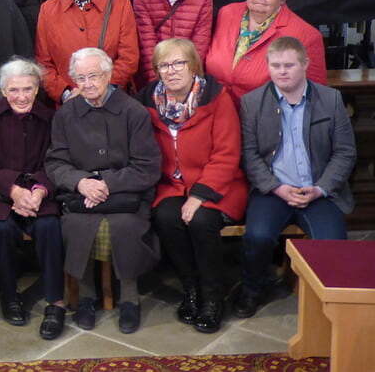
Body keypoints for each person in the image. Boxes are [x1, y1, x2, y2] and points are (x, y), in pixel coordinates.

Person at [234, 36, 356, 319]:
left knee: (333, 243)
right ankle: (252, 289)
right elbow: (249, 155)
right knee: (257, 237)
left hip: (318, 190)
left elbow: (345, 152)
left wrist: (321, 188)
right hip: (273, 190)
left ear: (305, 64)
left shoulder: (330, 99)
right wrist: (276, 188)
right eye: (275, 65)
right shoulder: (252, 103)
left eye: (289, 65)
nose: (282, 71)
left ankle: (329, 301)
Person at [45, 47, 161, 334]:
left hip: (126, 195)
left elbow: (147, 166)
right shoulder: (66, 114)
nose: (87, 84)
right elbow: (56, 162)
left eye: (94, 76)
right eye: (80, 78)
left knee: (125, 226)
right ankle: (86, 298)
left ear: (108, 75)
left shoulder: (133, 111)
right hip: (80, 195)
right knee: (77, 225)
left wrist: (106, 183)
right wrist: (81, 182)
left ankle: (130, 299)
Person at [137, 38, 247, 333]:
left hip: (217, 184)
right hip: (171, 185)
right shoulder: (146, 101)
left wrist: (198, 196)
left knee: (200, 221)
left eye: (178, 63)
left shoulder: (217, 98)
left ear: (193, 66)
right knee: (166, 217)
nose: (171, 71)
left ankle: (213, 297)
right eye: (164, 65)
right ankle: (191, 289)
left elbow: (227, 154)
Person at [0, 58, 66, 339]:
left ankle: (55, 302)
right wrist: (14, 190)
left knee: (49, 226)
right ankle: (9, 295)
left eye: (28, 89)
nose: (22, 96)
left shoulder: (49, 117)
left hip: (40, 192)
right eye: (14, 90)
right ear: (3, 91)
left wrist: (39, 190)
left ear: (37, 89)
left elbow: (56, 160)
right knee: (2, 229)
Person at [35, 0, 139, 104]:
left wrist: (102, 90)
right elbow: (44, 63)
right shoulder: (48, 10)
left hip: (111, 100)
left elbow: (129, 58)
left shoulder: (121, 6)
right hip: (70, 103)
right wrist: (66, 94)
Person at [205, 0, 327, 100]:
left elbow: (314, 94)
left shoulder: (306, 35)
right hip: (216, 105)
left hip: (266, 110)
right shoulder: (227, 13)